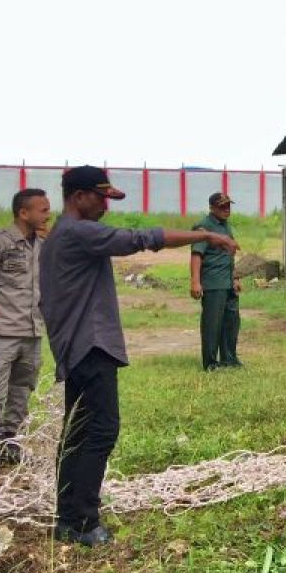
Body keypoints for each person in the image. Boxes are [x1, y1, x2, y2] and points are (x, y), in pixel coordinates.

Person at [39, 166, 237, 546]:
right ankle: (82, 521)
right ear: (79, 196)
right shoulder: (79, 232)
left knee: (79, 432)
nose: (105, 207)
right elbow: (142, 238)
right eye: (101, 199)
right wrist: (205, 234)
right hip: (91, 346)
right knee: (100, 429)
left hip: (76, 345)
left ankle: (69, 515)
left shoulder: (60, 236)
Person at [0, 189, 51, 472]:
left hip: (31, 331)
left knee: (21, 390)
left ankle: (11, 443)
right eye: (42, 210)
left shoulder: (42, 244)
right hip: (0, 331)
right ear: (23, 213)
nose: (47, 214)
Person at [191, 192, 242, 370]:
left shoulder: (226, 226)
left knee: (231, 322)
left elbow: (230, 253)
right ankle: (211, 363)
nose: (226, 209)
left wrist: (235, 278)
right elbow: (197, 255)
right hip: (213, 283)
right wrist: (195, 282)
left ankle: (229, 359)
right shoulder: (203, 226)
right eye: (222, 206)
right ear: (212, 208)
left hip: (228, 282)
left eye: (228, 205)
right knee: (212, 324)